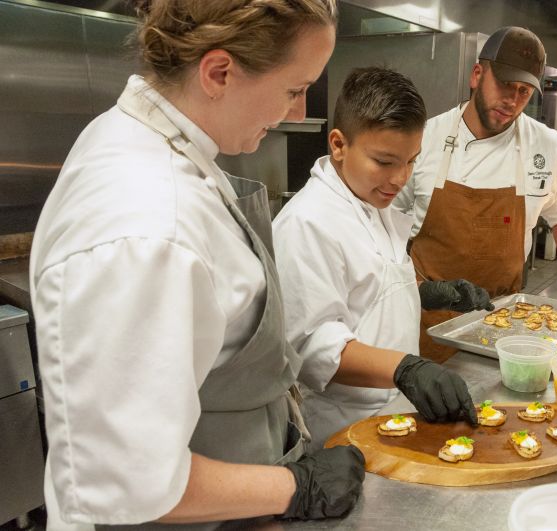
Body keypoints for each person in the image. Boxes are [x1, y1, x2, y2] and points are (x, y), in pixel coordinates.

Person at [28, 1, 366, 528]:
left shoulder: (157, 143)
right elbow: (131, 479)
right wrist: (293, 486)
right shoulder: (150, 227)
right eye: (294, 90)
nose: (298, 113)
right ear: (219, 72)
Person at [273, 67, 482, 447]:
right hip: (342, 426)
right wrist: (405, 369)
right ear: (339, 145)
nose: (400, 178)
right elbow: (311, 345)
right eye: (385, 162)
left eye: (411, 161)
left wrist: (431, 293)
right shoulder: (308, 222)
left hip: (392, 411)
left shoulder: (372, 201)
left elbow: (371, 288)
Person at [393, 26, 557, 362]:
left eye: (524, 92)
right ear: (477, 74)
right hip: (427, 314)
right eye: (505, 85)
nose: (512, 101)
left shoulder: (548, 147)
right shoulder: (425, 138)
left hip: (503, 317)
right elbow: (385, 224)